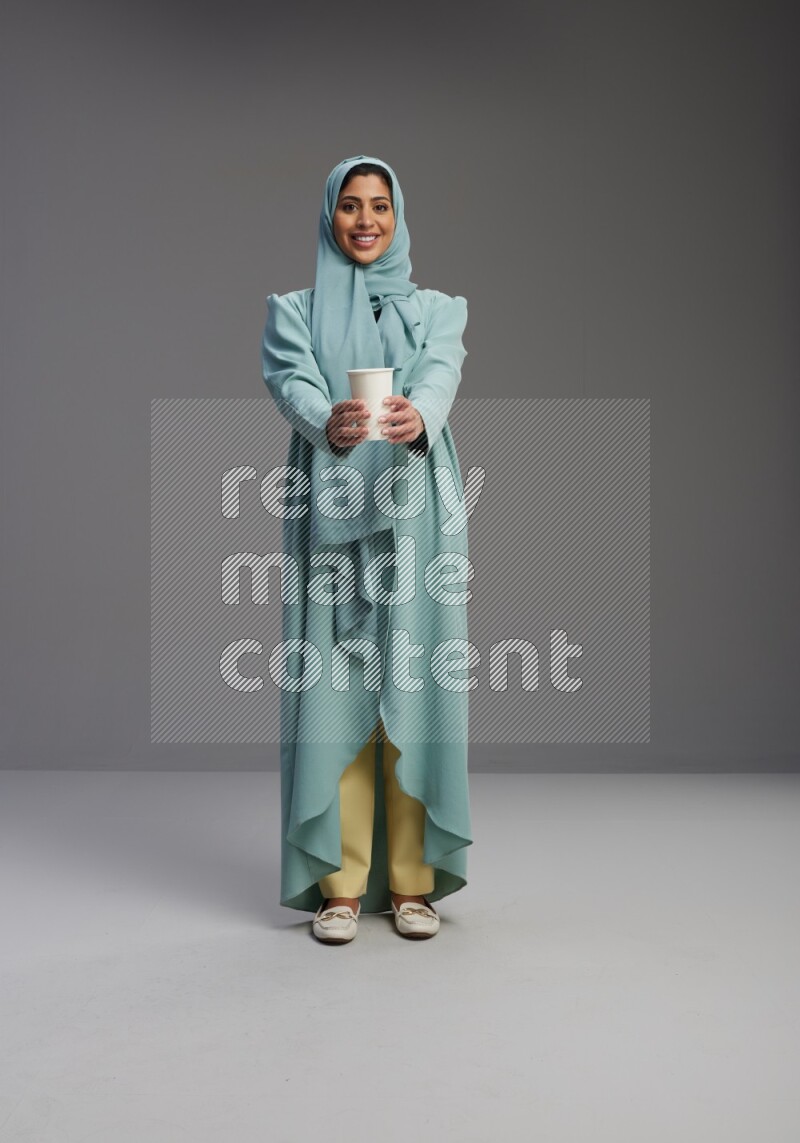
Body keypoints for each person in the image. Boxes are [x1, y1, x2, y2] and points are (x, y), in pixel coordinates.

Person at [261, 154, 473, 944]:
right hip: (331, 511)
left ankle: (414, 882)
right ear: (330, 216)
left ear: (398, 215)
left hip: (417, 510)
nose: (365, 220)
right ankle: (341, 887)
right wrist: (327, 421)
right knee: (334, 690)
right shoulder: (294, 310)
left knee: (415, 685)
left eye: (380, 205)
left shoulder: (438, 310)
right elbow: (291, 381)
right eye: (350, 205)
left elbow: (441, 374)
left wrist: (422, 414)